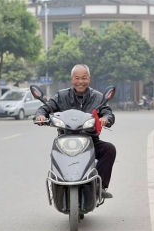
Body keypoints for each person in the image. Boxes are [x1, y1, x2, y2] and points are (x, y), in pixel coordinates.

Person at [35, 64, 116, 199]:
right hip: (65, 140)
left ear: (89, 79)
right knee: (55, 153)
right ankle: (58, 184)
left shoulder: (97, 97)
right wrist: (41, 115)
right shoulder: (61, 96)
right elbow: (46, 107)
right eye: (77, 78)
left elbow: (107, 112)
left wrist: (106, 118)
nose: (80, 81)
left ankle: (100, 187)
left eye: (84, 78)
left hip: (90, 140)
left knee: (109, 149)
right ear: (72, 79)